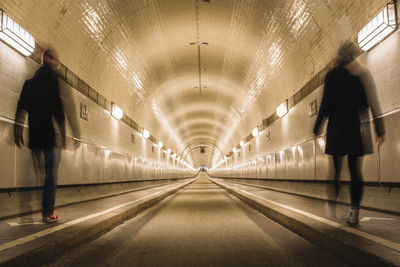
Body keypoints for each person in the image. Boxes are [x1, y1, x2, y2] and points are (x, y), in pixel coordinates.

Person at [313, 41, 385, 225]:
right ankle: (354, 211)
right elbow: (373, 102)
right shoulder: (362, 74)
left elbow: (325, 105)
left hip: (336, 128)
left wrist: (317, 128)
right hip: (356, 128)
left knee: (336, 169)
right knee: (355, 171)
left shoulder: (331, 76)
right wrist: (380, 129)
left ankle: (333, 202)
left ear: (339, 57)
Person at [14, 48, 80, 223]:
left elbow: (21, 108)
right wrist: (70, 132)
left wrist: (18, 130)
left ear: (42, 60)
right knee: (51, 175)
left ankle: (27, 211)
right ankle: (47, 212)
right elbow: (61, 109)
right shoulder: (56, 80)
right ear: (54, 61)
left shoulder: (30, 83)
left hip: (35, 136)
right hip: (51, 137)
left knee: (38, 174)